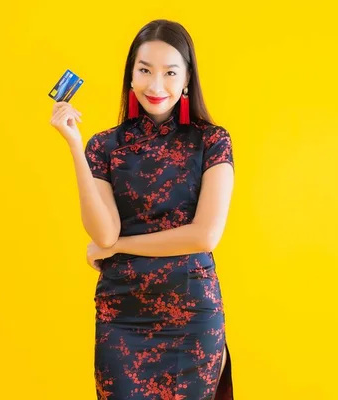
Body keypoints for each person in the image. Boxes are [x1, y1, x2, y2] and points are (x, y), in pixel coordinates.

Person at [50, 19, 235, 400]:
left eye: (170, 73)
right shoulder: (103, 146)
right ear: (130, 76)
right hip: (122, 317)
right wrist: (74, 145)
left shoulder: (212, 141)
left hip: (192, 316)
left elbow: (204, 235)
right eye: (145, 70)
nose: (156, 85)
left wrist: (119, 248)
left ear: (186, 80)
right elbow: (103, 233)